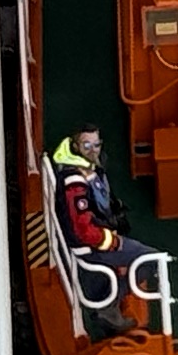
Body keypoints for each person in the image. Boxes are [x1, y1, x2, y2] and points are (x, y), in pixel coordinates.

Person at [46, 134, 138, 338]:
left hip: (96, 233)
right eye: (87, 145)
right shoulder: (74, 179)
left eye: (96, 144)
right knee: (144, 259)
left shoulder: (90, 171)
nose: (93, 150)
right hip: (90, 242)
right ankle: (107, 310)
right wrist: (112, 241)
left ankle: (111, 307)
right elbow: (84, 227)